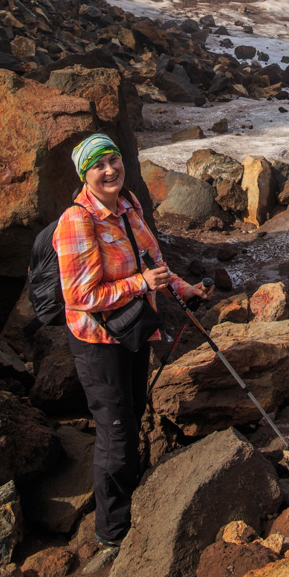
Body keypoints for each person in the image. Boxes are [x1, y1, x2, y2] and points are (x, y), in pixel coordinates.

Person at [53, 132, 212, 554]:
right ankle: (112, 530)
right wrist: (140, 283)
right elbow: (80, 297)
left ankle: (132, 491)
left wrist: (184, 289)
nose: (110, 170)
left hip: (134, 329)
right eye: (99, 165)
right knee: (115, 429)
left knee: (134, 410)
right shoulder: (77, 221)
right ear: (85, 175)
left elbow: (153, 262)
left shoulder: (129, 205)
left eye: (114, 160)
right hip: (98, 342)